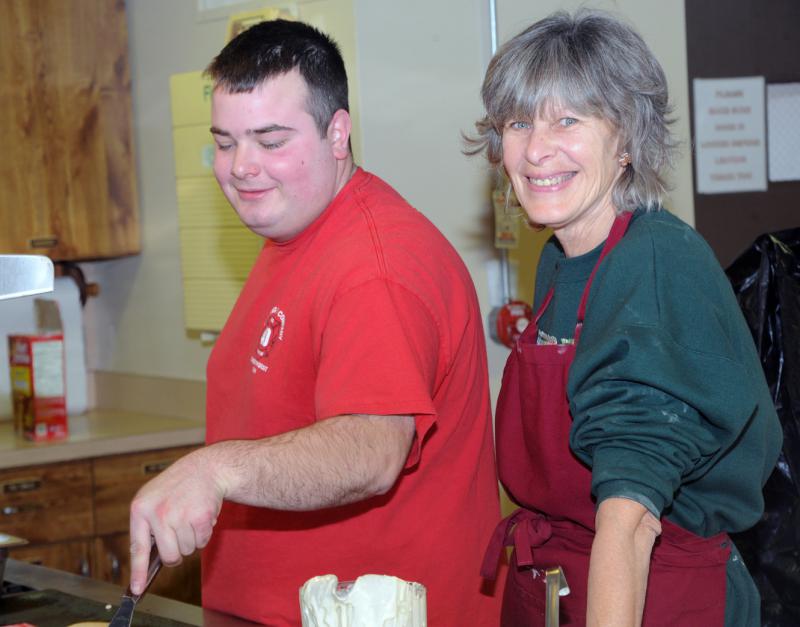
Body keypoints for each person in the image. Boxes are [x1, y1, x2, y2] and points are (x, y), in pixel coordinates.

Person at [128, 19, 502, 626]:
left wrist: (214, 469)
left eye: (271, 141)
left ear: (337, 133)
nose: (242, 167)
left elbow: (371, 450)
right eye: (225, 143)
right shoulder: (294, 233)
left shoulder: (376, 268)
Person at [470, 9, 783, 627]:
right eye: (518, 121)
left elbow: (630, 517)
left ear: (628, 141)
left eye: (568, 120)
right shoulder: (562, 258)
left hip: (652, 594)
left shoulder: (658, 263)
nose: (535, 148)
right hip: (560, 583)